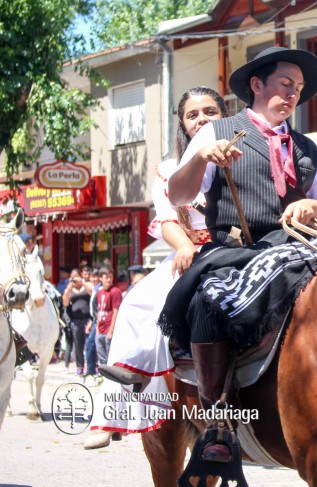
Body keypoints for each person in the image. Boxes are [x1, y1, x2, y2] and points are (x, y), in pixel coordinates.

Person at [160, 46, 317, 462]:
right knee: (208, 295)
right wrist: (202, 155)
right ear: (257, 85)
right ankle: (218, 417)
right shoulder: (216, 132)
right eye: (284, 84)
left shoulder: (308, 147)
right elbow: (179, 195)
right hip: (236, 251)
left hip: (298, 250)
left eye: (298, 88)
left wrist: (314, 206)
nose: (293, 94)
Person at [85, 87, 228, 449]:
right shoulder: (167, 170)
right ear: (181, 123)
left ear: (225, 115)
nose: (202, 120)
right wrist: (183, 245)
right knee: (136, 303)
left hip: (235, 248)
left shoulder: (243, 155)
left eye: (210, 111)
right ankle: (116, 406)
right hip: (190, 251)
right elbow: (166, 218)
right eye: (192, 114)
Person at [61, 271, 92, 376]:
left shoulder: (85, 286)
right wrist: (69, 288)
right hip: (75, 320)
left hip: (87, 319)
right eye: (73, 278)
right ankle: (80, 366)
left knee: (89, 344)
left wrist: (82, 282)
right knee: (78, 345)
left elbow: (92, 292)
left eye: (76, 277)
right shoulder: (70, 290)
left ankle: (91, 365)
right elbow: (65, 302)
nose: (75, 280)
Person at [94, 269, 122, 367]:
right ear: (101, 278)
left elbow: (116, 311)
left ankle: (111, 377)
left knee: (110, 355)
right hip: (100, 327)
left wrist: (111, 330)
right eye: (106, 277)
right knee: (101, 355)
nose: (109, 280)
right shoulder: (100, 292)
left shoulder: (115, 291)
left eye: (110, 277)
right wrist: (97, 327)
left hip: (109, 328)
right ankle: (103, 374)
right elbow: (99, 310)